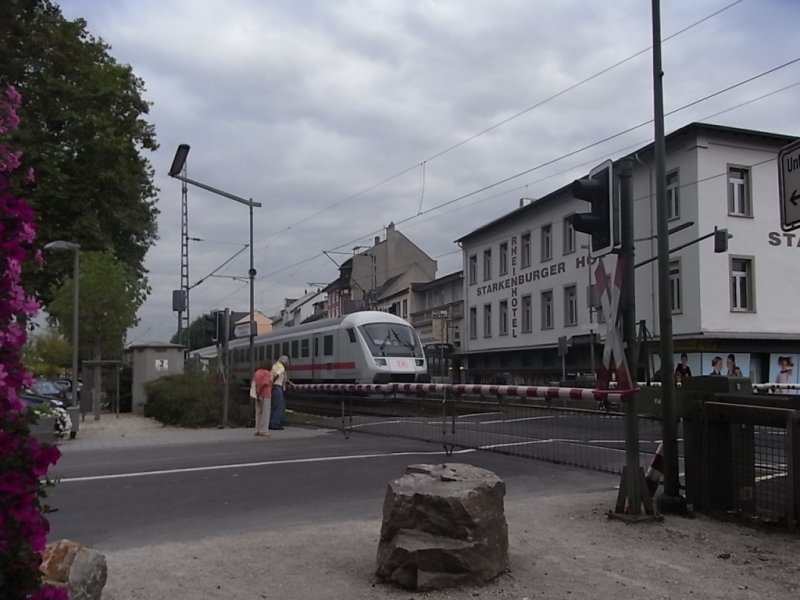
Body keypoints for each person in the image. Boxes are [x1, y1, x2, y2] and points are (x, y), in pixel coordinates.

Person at [252, 360, 273, 437]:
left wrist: (257, 393)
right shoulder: (267, 373)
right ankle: (264, 430)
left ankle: (257, 429)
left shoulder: (257, 372)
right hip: (265, 394)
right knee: (265, 412)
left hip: (258, 395)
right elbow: (264, 384)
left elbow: (254, 383)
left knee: (258, 412)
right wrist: (259, 391)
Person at [270, 354, 291, 430]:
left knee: (274, 406)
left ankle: (272, 422)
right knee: (278, 406)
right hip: (277, 387)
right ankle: (275, 423)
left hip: (275, 387)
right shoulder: (280, 367)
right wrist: (273, 383)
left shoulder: (276, 365)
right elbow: (276, 375)